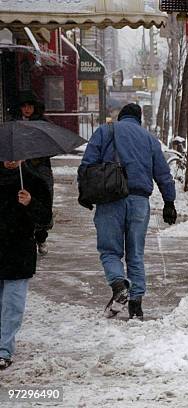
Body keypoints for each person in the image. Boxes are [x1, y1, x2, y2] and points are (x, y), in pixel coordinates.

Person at [78, 103, 177, 320]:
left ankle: (118, 284)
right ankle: (136, 304)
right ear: (139, 119)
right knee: (136, 253)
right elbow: (163, 172)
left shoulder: (105, 131)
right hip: (139, 202)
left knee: (110, 250)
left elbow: (87, 165)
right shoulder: (150, 139)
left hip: (110, 199)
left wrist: (83, 193)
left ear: (121, 117)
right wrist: (169, 201)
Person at [0, 160, 52, 370]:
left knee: (13, 304)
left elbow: (45, 218)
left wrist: (31, 203)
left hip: (19, 250)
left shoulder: (33, 181)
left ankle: (4, 349)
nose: (11, 160)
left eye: (16, 156)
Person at [14, 93, 54, 256]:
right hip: (20, 168)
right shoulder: (14, 124)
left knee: (43, 202)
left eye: (30, 106)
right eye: (24, 106)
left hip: (40, 169)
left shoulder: (43, 124)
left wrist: (36, 158)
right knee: (22, 202)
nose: (27, 109)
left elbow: (51, 147)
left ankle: (41, 236)